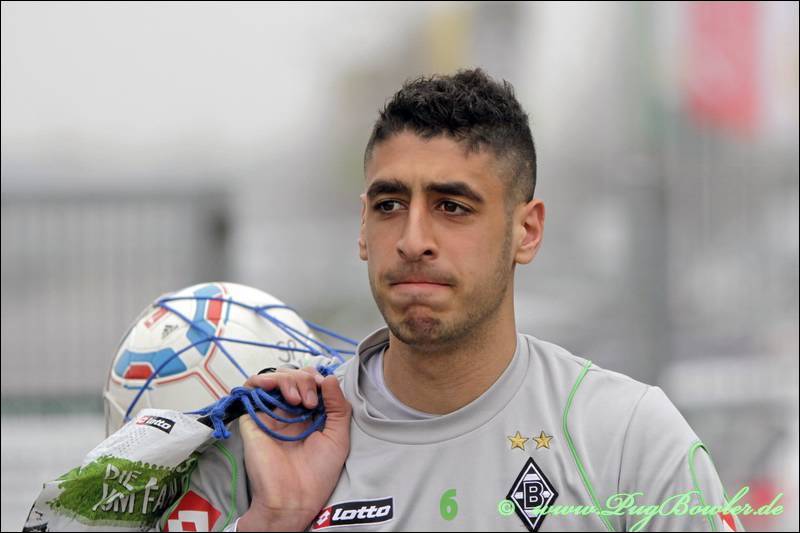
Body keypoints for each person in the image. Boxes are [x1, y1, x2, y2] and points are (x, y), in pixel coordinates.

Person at [27, 69, 744, 533]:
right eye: (390, 204)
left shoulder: (626, 437)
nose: (414, 239)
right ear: (362, 230)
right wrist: (274, 520)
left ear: (526, 231)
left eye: (453, 207)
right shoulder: (265, 447)